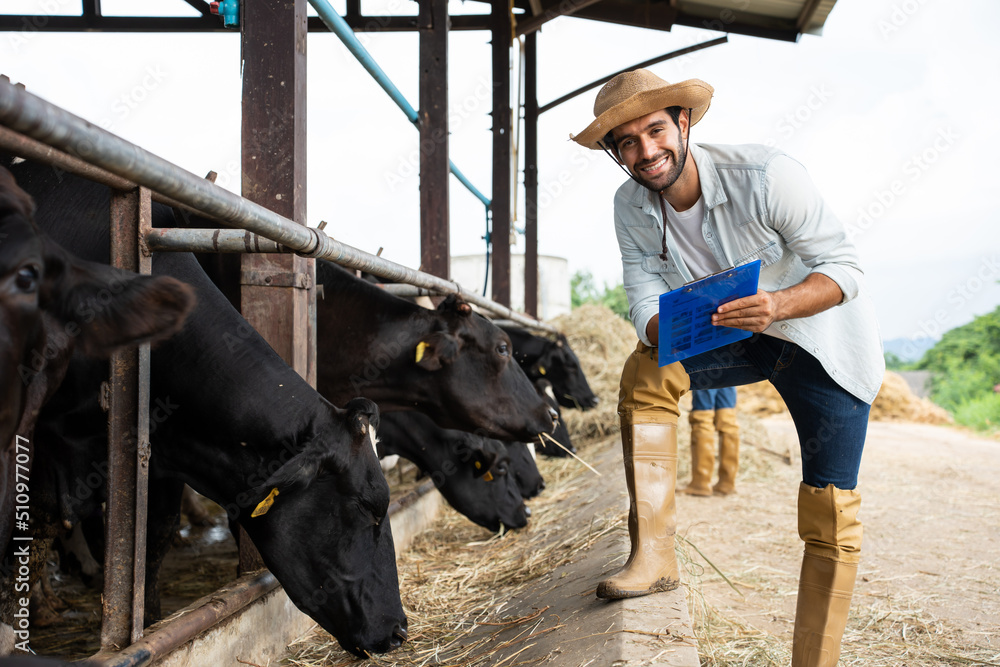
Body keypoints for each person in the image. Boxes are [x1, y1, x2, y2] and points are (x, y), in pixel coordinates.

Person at [571, 70, 884, 666]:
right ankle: (654, 555)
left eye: (656, 130)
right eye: (627, 143)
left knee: (831, 509)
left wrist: (779, 303)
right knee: (646, 371)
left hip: (822, 341)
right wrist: (671, 330)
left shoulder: (767, 175)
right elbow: (641, 301)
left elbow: (845, 267)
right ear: (614, 153)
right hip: (732, 337)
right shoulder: (628, 205)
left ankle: (813, 661)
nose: (646, 152)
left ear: (683, 123)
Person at [682, 387, 740, 496]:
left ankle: (700, 483)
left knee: (702, 419)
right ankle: (726, 483)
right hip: (729, 371)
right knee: (728, 421)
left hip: (707, 373)